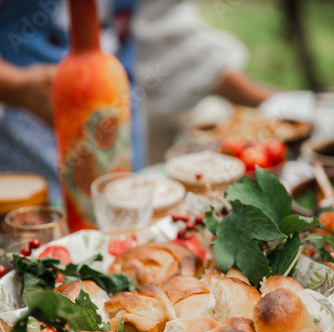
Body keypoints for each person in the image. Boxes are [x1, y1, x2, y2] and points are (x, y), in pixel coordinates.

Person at [0, 0, 273, 204]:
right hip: (23, 148)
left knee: (121, 237)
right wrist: (16, 85)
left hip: (120, 129)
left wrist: (279, 104)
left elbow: (175, 43)